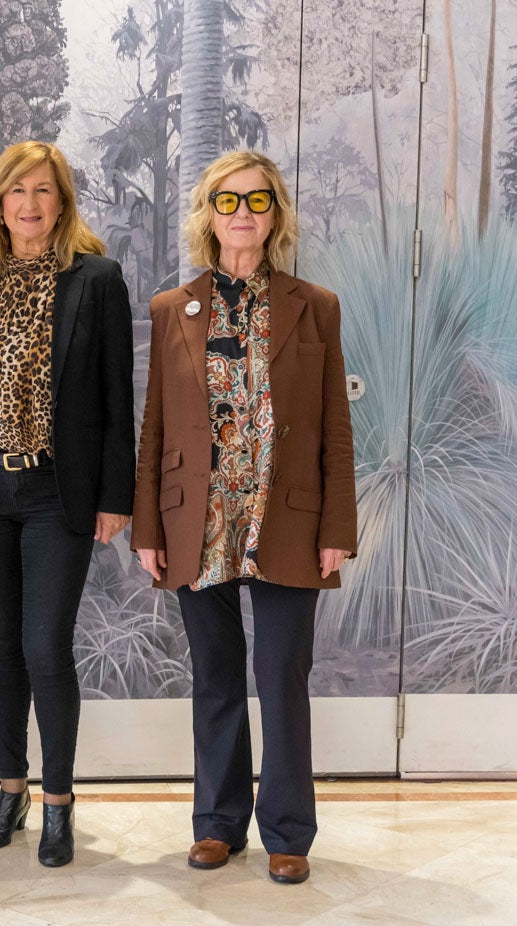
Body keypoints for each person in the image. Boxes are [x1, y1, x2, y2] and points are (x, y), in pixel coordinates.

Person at [131, 149, 357, 885]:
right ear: (208, 214)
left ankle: (288, 832)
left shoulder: (312, 304)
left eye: (256, 202)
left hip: (284, 517)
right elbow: (155, 431)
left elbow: (332, 426)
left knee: (280, 673)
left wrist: (335, 529)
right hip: (196, 521)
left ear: (275, 215)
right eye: (227, 202)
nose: (241, 216)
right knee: (216, 675)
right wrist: (146, 530)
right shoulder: (174, 308)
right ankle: (216, 825)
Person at [0, 140, 134, 868]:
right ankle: (9, 789)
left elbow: (115, 393)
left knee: (46, 647)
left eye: (42, 190)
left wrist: (116, 495)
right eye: (15, 191)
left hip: (55, 490)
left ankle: (56, 802)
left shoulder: (96, 279)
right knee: (2, 647)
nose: (29, 204)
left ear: (62, 200)